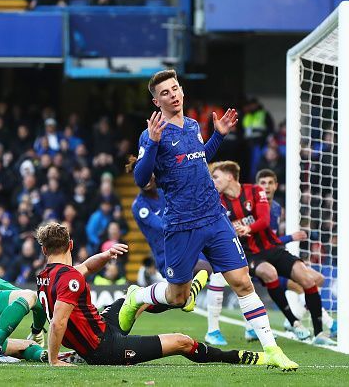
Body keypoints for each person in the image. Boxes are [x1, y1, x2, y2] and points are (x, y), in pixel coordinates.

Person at [124, 69, 296, 370]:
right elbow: (140, 178)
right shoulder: (151, 134)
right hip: (181, 223)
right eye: (165, 93)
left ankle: (272, 349)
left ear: (182, 91)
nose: (173, 95)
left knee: (242, 281)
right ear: (156, 102)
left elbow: (199, 157)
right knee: (178, 296)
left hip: (214, 217)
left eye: (175, 89)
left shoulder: (192, 125)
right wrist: (151, 143)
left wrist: (219, 136)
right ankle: (139, 295)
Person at [35, 222, 268, 368]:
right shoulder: (70, 278)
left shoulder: (47, 276)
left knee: (134, 300)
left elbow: (84, 267)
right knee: (182, 342)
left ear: (44, 250)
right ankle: (234, 357)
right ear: (71, 245)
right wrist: (54, 359)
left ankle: (186, 296)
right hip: (104, 348)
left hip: (100, 330)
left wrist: (105, 255)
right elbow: (58, 322)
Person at [211, 161, 335, 345]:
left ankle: (319, 334)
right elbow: (218, 226)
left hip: (272, 248)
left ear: (229, 177)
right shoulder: (218, 201)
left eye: (215, 177)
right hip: (248, 254)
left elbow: (264, 219)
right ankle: (294, 322)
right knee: (269, 273)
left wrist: (247, 228)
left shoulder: (255, 191)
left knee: (308, 279)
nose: (213, 181)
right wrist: (231, 229)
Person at [129, 168, 227, 345]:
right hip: (166, 254)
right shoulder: (139, 206)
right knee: (177, 298)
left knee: (209, 271)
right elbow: (160, 226)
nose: (148, 180)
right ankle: (138, 301)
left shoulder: (163, 192)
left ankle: (139, 301)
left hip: (187, 245)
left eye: (149, 174)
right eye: (142, 178)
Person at [255, 168, 337, 338]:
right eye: (263, 183)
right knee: (301, 284)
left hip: (276, 255)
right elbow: (262, 241)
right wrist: (290, 237)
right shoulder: (254, 208)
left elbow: (272, 238)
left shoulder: (277, 208)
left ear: (276, 186)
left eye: (270, 183)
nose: (267, 187)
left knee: (318, 279)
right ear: (257, 186)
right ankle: (329, 323)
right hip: (260, 260)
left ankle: (293, 320)